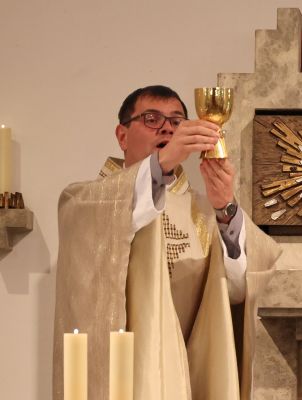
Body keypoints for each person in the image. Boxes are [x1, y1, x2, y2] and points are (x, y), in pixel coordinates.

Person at [53, 85, 281, 400]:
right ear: (122, 136)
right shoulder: (85, 202)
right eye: (151, 119)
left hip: (188, 379)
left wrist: (226, 208)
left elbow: (239, 289)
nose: (166, 128)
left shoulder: (203, 210)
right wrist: (160, 164)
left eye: (176, 121)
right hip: (122, 380)